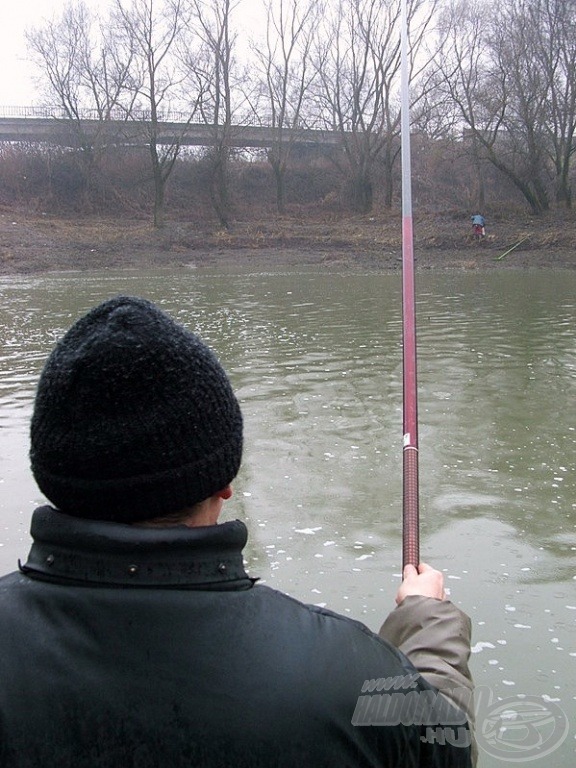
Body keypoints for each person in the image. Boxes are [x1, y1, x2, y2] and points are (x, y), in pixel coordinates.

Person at [0, 296, 475, 767]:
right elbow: (445, 747)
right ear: (225, 485)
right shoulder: (351, 678)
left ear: (52, 477)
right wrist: (426, 622)